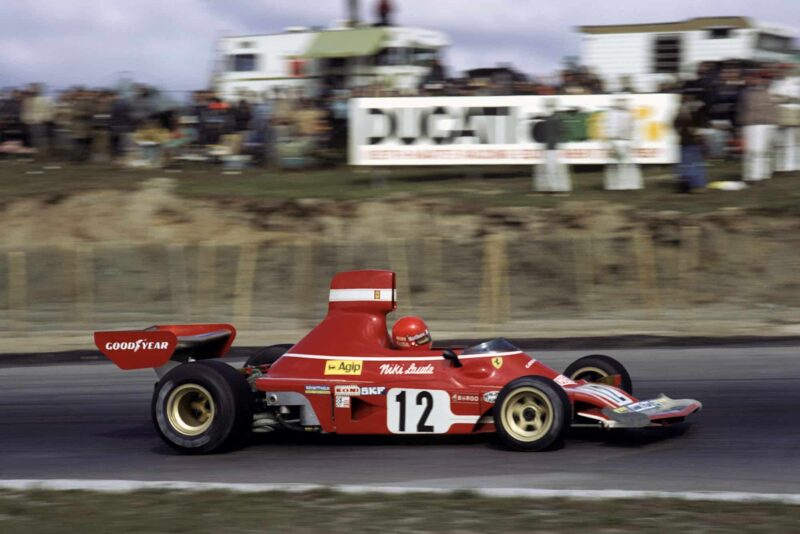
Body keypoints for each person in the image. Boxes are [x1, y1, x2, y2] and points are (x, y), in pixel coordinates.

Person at [739, 71, 778, 182]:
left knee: (763, 150)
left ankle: (762, 174)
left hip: (767, 124)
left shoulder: (769, 91)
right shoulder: (745, 93)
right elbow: (741, 110)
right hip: (752, 124)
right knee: (753, 151)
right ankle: (751, 175)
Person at [603, 96, 642, 190]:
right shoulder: (612, 114)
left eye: (623, 102)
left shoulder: (629, 115)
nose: (621, 104)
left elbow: (634, 129)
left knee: (627, 164)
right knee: (615, 164)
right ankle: (614, 185)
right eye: (619, 102)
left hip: (625, 141)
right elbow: (609, 129)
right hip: (617, 141)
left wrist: (634, 143)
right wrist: (610, 143)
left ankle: (629, 184)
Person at [674, 92, 708, 193]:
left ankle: (691, 185)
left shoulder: (685, 110)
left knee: (689, 164)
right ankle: (695, 185)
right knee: (694, 164)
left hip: (688, 142)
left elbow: (678, 125)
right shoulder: (696, 109)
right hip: (690, 142)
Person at [534, 99, 571, 193]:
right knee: (550, 168)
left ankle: (555, 187)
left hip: (553, 147)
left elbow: (563, 130)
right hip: (549, 147)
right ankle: (553, 186)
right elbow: (563, 130)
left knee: (552, 168)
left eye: (549, 106)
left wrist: (558, 139)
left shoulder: (554, 118)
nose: (547, 108)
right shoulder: (549, 119)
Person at [771, 65, 800, 173]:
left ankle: (793, 165)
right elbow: (771, 97)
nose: (783, 72)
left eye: (786, 70)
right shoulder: (776, 83)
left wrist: (784, 97)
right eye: (781, 70)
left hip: (795, 112)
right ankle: (780, 166)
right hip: (780, 112)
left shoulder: (797, 81)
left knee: (794, 141)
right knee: (780, 141)